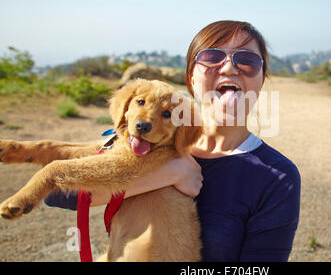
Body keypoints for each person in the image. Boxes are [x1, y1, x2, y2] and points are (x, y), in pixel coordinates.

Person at [45, 20, 301, 261]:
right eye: (212, 57)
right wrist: (167, 174)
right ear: (191, 78)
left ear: (262, 79)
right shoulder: (151, 139)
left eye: (247, 60)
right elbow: (56, 193)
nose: (229, 68)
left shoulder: (277, 177)